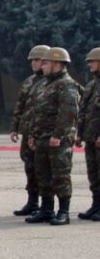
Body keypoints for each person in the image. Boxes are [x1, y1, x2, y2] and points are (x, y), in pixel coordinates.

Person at [25, 46, 83, 225]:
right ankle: (46, 209)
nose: (42, 66)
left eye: (46, 63)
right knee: (43, 176)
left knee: (60, 175)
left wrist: (58, 135)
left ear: (57, 64)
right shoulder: (45, 84)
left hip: (58, 140)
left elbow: (68, 113)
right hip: (42, 138)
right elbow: (38, 112)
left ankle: (63, 212)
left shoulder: (67, 84)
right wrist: (33, 134)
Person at [9, 44, 50, 215]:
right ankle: (32, 202)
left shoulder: (50, 82)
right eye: (32, 60)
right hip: (28, 132)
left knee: (43, 170)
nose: (33, 63)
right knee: (30, 167)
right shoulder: (29, 81)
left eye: (37, 60)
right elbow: (20, 106)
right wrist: (15, 128)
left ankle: (46, 205)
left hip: (41, 133)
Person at [79, 46, 100, 221]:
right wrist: (79, 134)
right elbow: (84, 111)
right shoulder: (92, 84)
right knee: (93, 174)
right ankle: (96, 204)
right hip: (90, 138)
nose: (89, 64)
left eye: (92, 61)